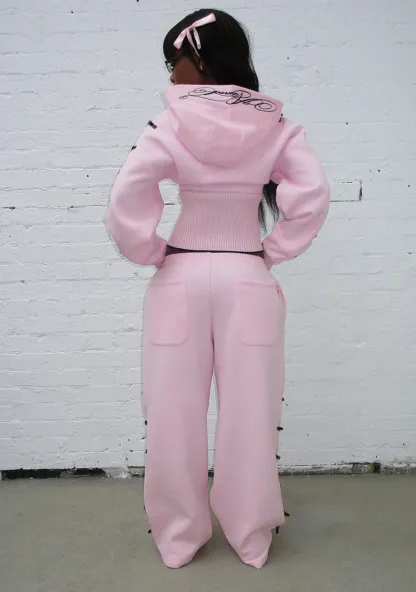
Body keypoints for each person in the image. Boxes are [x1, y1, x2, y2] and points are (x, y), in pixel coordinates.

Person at [106, 9, 330, 570]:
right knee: (252, 412)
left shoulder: (167, 124)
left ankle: (179, 536)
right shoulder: (277, 126)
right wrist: (270, 252)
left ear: (200, 57)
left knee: (171, 413)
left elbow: (127, 196)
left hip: (179, 276)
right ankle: (251, 535)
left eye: (174, 59)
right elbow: (311, 196)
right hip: (247, 276)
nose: (170, 72)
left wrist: (152, 251)